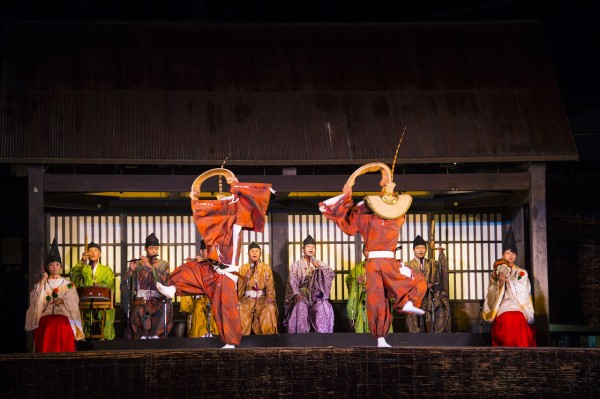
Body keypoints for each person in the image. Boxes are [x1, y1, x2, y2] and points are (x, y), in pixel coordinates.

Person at [157, 169, 272, 348]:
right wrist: (194, 197)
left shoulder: (236, 225)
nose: (220, 204)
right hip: (213, 270)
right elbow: (202, 213)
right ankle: (174, 288)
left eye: (223, 204)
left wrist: (234, 184)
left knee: (225, 308)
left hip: (227, 273)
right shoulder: (216, 227)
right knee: (193, 267)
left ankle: (231, 342)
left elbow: (240, 203)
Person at [319, 162, 427, 347]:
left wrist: (348, 194)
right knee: (414, 281)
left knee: (378, 299)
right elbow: (394, 207)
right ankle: (405, 304)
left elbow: (348, 221)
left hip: (374, 264)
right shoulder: (397, 218)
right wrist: (386, 187)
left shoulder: (365, 218)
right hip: (386, 261)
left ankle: (382, 335)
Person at [25, 238, 84, 352]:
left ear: (61, 267)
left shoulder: (68, 284)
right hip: (46, 319)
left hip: (63, 319)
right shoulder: (41, 283)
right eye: (51, 265)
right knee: (45, 326)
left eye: (57, 264)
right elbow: (34, 300)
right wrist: (42, 281)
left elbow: (74, 302)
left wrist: (63, 301)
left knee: (61, 326)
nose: (54, 267)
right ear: (47, 267)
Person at [483, 227, 536, 347]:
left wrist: (508, 281)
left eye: (513, 253)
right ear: (503, 255)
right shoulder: (496, 273)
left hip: (518, 305)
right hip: (503, 305)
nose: (511, 256)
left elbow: (522, 289)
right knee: (506, 319)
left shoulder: (521, 272)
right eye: (508, 253)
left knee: (519, 318)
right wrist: (500, 282)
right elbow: (492, 290)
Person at [121, 233, 173, 339]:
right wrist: (131, 271)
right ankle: (142, 336)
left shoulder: (164, 264)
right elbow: (126, 283)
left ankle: (156, 336)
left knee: (166, 307)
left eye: (156, 248)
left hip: (158, 300)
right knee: (138, 309)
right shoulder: (138, 264)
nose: (154, 251)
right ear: (145, 248)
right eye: (151, 248)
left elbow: (164, 282)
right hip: (141, 300)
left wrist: (150, 267)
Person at [284, 235, 335, 333]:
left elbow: (331, 274)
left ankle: (323, 339)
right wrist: (296, 294)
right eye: (308, 246)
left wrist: (320, 267)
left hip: (317, 298)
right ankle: (301, 339)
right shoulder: (296, 265)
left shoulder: (319, 263)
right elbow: (292, 281)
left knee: (324, 307)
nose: (311, 248)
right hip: (302, 297)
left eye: (313, 247)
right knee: (301, 307)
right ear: (303, 249)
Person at [70, 241, 116, 340]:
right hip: (85, 300)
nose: (93, 252)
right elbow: (73, 277)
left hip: (101, 299)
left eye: (95, 250)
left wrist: (98, 285)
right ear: (87, 254)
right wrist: (81, 261)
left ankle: (105, 337)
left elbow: (109, 284)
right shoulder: (83, 269)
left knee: (108, 312)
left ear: (99, 254)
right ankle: (82, 336)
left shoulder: (106, 270)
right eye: (90, 250)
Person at [405, 235, 451, 333]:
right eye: (417, 248)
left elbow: (442, 271)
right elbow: (406, 283)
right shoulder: (408, 265)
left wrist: (441, 255)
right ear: (414, 250)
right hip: (415, 297)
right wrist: (423, 286)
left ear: (426, 250)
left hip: (430, 297)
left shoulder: (431, 263)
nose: (420, 250)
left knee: (443, 305)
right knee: (416, 321)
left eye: (423, 247)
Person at [179, 240, 219, 338]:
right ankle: (200, 335)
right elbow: (187, 281)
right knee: (198, 309)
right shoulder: (194, 264)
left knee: (215, 310)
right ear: (201, 251)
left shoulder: (217, 264)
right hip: (199, 297)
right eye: (206, 250)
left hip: (213, 297)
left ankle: (214, 334)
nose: (208, 253)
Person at [238, 242, 278, 335]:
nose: (254, 253)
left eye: (257, 251)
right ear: (248, 254)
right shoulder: (243, 268)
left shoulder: (266, 267)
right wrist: (246, 277)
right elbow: (239, 288)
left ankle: (267, 337)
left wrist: (270, 296)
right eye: (252, 251)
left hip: (262, 298)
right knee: (240, 307)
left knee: (270, 307)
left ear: (260, 254)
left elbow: (270, 285)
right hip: (247, 298)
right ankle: (242, 337)